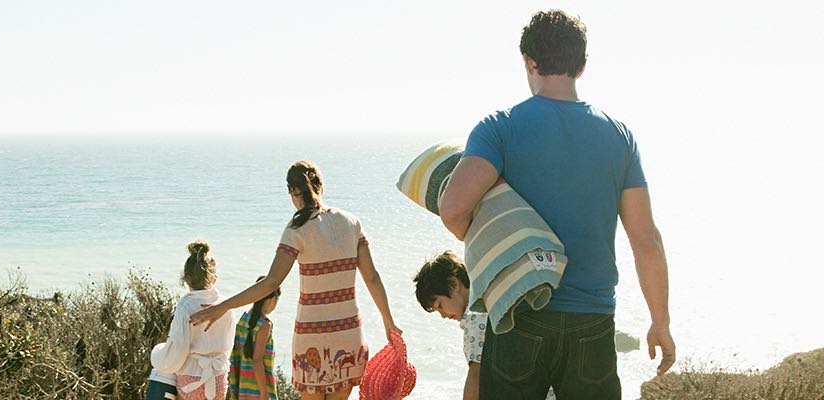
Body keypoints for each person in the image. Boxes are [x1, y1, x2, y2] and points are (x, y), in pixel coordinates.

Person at [437, 9, 676, 400]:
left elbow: (452, 209)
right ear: (581, 66)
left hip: (520, 312)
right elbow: (646, 239)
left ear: (529, 62)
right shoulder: (619, 138)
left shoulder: (500, 127)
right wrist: (660, 321)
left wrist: (486, 238)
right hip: (593, 319)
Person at [190, 160, 402, 400]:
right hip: (348, 332)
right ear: (321, 185)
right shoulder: (352, 223)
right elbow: (372, 278)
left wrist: (224, 306)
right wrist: (388, 320)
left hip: (311, 335)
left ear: (293, 191)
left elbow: (271, 283)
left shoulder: (296, 229)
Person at [150, 240, 238, 400]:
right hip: (218, 378)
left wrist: (158, 355)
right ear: (214, 278)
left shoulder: (185, 306)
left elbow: (179, 349)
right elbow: (228, 348)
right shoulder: (226, 306)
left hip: (191, 377)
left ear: (186, 278)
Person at [412, 251, 485, 400]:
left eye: (440, 305)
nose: (443, 315)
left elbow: (476, 375)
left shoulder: (474, 319)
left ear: (454, 284)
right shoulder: (487, 298)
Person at [227, 276, 282, 400]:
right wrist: (264, 393)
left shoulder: (243, 319)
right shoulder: (264, 325)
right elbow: (257, 360)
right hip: (258, 388)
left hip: (242, 387)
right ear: (272, 300)